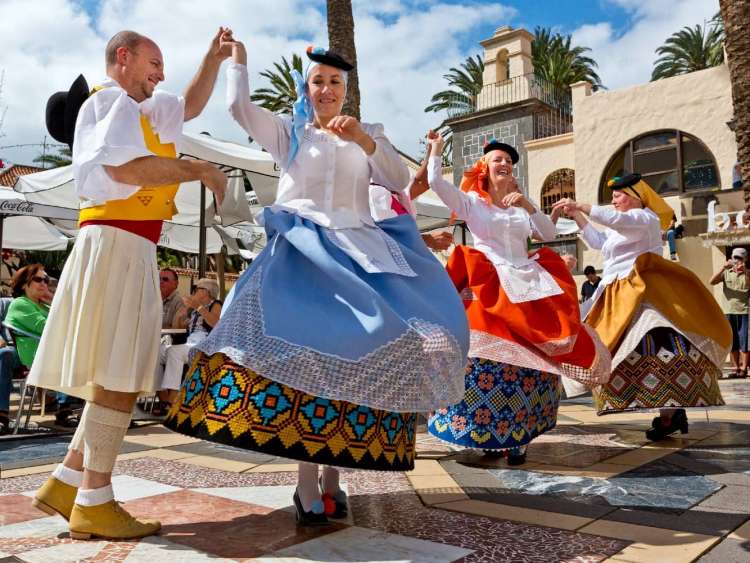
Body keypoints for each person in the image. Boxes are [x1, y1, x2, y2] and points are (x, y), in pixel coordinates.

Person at [165, 38, 469, 526]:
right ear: (306, 88)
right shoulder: (291, 133)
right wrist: (237, 61)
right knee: (303, 357)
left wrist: (365, 142)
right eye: (318, 82)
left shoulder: (369, 133)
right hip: (301, 249)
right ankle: (306, 482)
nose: (326, 90)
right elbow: (239, 109)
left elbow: (397, 178)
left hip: (358, 248)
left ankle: (334, 475)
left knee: (374, 348)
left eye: (335, 83)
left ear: (346, 90)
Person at [28, 29, 229, 541]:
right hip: (118, 240)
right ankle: (95, 501)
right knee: (119, 375)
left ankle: (67, 483)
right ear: (124, 57)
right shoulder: (110, 101)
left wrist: (211, 59)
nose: (161, 74)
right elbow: (128, 168)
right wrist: (199, 169)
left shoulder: (142, 109)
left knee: (114, 372)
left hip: (123, 243)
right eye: (154, 63)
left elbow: (189, 105)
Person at [424, 133, 610, 465]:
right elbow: (437, 183)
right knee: (480, 355)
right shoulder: (473, 202)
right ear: (484, 167)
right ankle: (481, 431)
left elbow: (548, 233)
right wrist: (436, 150)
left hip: (527, 282)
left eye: (509, 161)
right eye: (498, 159)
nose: (505, 164)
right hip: (487, 280)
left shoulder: (520, 207)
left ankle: (520, 436)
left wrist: (527, 204)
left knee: (532, 356)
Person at [554, 173, 731, 441]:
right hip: (616, 293)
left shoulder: (646, 219)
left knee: (656, 347)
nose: (614, 200)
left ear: (636, 197)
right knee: (611, 346)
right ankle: (669, 413)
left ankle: (670, 414)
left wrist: (581, 205)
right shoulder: (621, 225)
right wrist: (578, 216)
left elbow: (617, 220)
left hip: (641, 292)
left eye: (619, 195)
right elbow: (599, 242)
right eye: (613, 196)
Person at [153, 278, 222, 414]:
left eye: (197, 289)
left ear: (207, 292)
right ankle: (163, 397)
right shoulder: (194, 310)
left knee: (175, 352)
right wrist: (181, 313)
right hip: (190, 342)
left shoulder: (215, 304)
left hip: (204, 344)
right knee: (155, 353)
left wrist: (199, 307)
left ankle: (171, 401)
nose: (194, 291)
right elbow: (177, 327)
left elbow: (216, 323)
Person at [710, 247, 750, 378]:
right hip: (728, 311)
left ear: (745, 259)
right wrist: (723, 268)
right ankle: (736, 368)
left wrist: (746, 272)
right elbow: (712, 281)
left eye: (740, 258)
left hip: (744, 311)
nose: (737, 261)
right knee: (733, 341)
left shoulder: (748, 273)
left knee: (745, 341)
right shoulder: (726, 272)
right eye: (735, 258)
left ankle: (744, 369)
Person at [0, 297, 20, 435]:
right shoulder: (4, 304)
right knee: (5, 354)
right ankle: (1, 414)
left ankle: (64, 408)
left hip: (36, 347)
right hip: (10, 350)